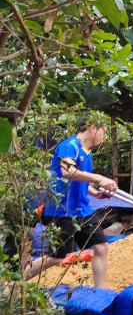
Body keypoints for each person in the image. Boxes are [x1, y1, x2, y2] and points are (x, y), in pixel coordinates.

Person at [24, 117, 118, 288]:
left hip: (83, 210)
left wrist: (95, 193)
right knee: (56, 258)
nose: (104, 137)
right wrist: (99, 178)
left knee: (102, 247)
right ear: (92, 128)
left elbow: (79, 180)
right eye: (103, 132)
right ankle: (16, 283)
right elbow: (67, 171)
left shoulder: (87, 152)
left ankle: (100, 291)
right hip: (64, 211)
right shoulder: (70, 146)